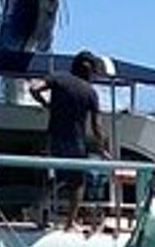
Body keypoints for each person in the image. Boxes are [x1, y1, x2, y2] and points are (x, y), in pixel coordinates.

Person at [29, 50, 105, 229]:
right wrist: (101, 146)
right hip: (75, 141)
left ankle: (37, 208)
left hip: (54, 136)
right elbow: (97, 126)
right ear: (89, 70)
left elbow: (34, 88)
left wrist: (46, 104)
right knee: (77, 183)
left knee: (53, 176)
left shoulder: (58, 78)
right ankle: (69, 223)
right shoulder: (90, 92)